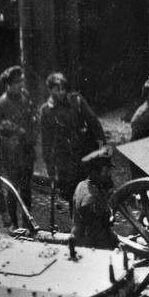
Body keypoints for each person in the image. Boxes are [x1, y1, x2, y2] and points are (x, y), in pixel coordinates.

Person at [39, 71, 106, 208]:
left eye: (63, 88)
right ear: (50, 90)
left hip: (86, 154)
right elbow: (46, 142)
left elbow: (95, 125)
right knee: (73, 197)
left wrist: (102, 149)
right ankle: (78, 226)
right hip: (66, 162)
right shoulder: (46, 111)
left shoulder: (76, 101)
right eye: (57, 89)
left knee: (94, 193)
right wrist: (50, 169)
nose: (62, 92)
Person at [0, 65, 38, 229]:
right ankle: (14, 225)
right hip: (11, 157)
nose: (21, 85)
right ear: (8, 84)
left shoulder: (25, 96)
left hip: (26, 153)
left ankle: (28, 222)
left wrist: (32, 135)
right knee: (12, 192)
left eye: (21, 81)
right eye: (17, 82)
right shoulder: (1, 105)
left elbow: (33, 118)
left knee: (26, 191)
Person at [70, 147, 119, 251]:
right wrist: (116, 243)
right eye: (106, 171)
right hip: (89, 248)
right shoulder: (90, 199)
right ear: (95, 172)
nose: (109, 174)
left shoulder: (84, 184)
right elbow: (96, 235)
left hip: (85, 239)